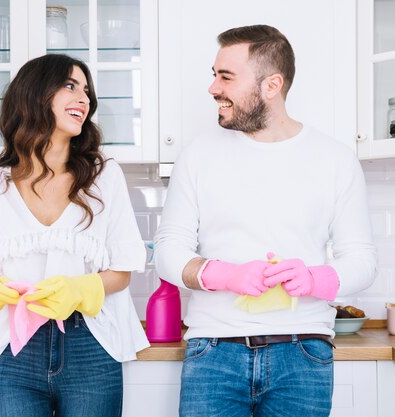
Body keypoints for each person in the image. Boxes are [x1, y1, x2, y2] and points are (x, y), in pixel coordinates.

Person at [153, 25, 377, 417]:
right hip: (214, 352)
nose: (212, 88)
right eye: (214, 74)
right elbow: (168, 252)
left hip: (304, 353)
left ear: (271, 85)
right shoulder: (198, 156)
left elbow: (362, 260)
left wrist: (314, 279)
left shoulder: (335, 159)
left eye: (226, 77)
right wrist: (224, 275)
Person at [0, 54, 149, 417]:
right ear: (35, 95)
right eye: (70, 86)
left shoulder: (104, 177)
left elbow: (122, 271)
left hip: (91, 344)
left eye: (86, 91)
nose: (84, 99)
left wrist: (79, 289)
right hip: (16, 349)